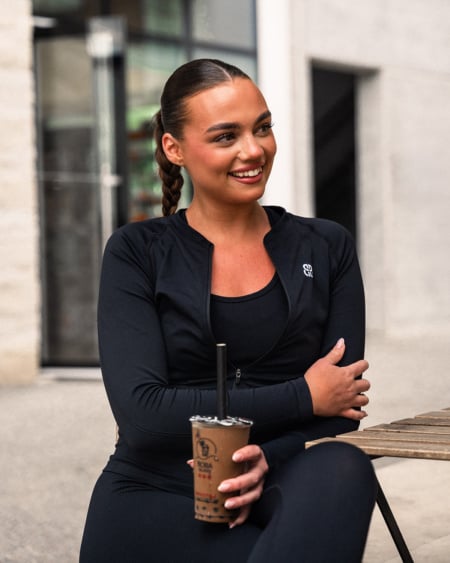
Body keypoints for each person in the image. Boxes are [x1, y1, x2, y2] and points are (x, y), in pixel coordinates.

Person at [80, 59, 376, 563]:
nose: (253, 150)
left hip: (286, 468)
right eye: (225, 136)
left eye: (262, 128)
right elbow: (143, 415)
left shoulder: (327, 246)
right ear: (174, 148)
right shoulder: (137, 252)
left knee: (345, 466)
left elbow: (344, 405)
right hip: (157, 483)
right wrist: (305, 395)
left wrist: (269, 454)